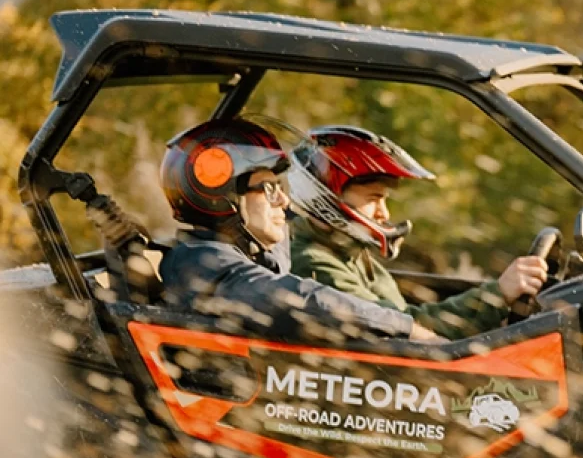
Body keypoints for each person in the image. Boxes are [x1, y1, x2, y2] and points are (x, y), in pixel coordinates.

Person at [157, 118, 442, 341]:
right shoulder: (200, 263)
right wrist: (406, 328)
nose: (283, 200)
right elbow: (297, 299)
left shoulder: (252, 254)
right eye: (269, 189)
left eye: (280, 187)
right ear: (222, 199)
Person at [287, 125, 548, 340]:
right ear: (328, 197)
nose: (384, 213)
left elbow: (405, 318)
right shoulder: (314, 264)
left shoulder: (351, 255)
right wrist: (498, 295)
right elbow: (404, 329)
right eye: (373, 199)